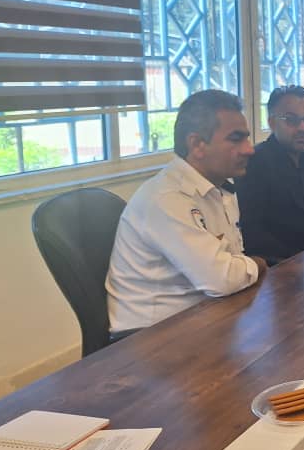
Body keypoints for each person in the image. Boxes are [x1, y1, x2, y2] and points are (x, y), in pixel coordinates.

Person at [106, 90, 266, 334]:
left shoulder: (218, 188)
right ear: (197, 145)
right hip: (150, 337)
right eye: (236, 139)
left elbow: (231, 261)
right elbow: (222, 279)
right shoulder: (167, 198)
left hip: (204, 314)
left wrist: (241, 267)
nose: (249, 149)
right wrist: (257, 264)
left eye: (247, 138)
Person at [236, 85, 304, 265]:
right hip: (277, 264)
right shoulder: (254, 163)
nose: (303, 127)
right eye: (291, 120)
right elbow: (253, 233)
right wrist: (302, 260)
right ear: (272, 123)